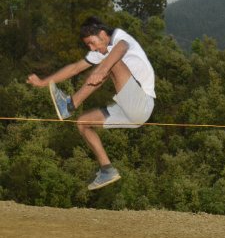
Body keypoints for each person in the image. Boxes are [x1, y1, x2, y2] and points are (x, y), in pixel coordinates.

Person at [27, 16, 155, 190]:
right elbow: (75, 68)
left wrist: (102, 70)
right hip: (128, 112)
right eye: (88, 45)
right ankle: (107, 169)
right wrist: (43, 83)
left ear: (102, 34)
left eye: (92, 43)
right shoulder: (100, 51)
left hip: (143, 103)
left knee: (111, 62)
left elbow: (121, 48)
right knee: (83, 123)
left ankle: (69, 105)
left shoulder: (120, 37)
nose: (92, 48)